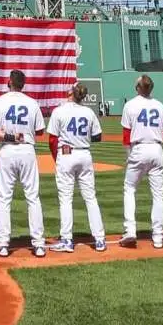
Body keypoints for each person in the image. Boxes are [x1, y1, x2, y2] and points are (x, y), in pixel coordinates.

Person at [0, 69, 47, 258]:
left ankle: (3, 243)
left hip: (7, 150)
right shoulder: (31, 102)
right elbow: (40, 132)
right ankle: (38, 244)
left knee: (4, 198)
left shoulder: (0, 101)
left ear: (9, 82)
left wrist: (10, 134)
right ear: (23, 84)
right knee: (33, 197)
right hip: (27, 150)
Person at [46, 82, 106, 252]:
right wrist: (82, 139)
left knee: (66, 199)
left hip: (66, 154)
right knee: (90, 198)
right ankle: (100, 239)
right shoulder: (88, 112)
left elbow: (52, 139)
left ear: (71, 92)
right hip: (84, 154)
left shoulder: (60, 110)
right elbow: (97, 136)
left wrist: (56, 157)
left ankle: (66, 239)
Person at [118, 73, 163, 248]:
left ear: (138, 87)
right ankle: (157, 235)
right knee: (158, 194)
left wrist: (128, 155)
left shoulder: (131, 105)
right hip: (156, 149)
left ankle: (130, 230)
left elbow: (126, 136)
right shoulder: (159, 105)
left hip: (139, 148)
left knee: (129, 189)